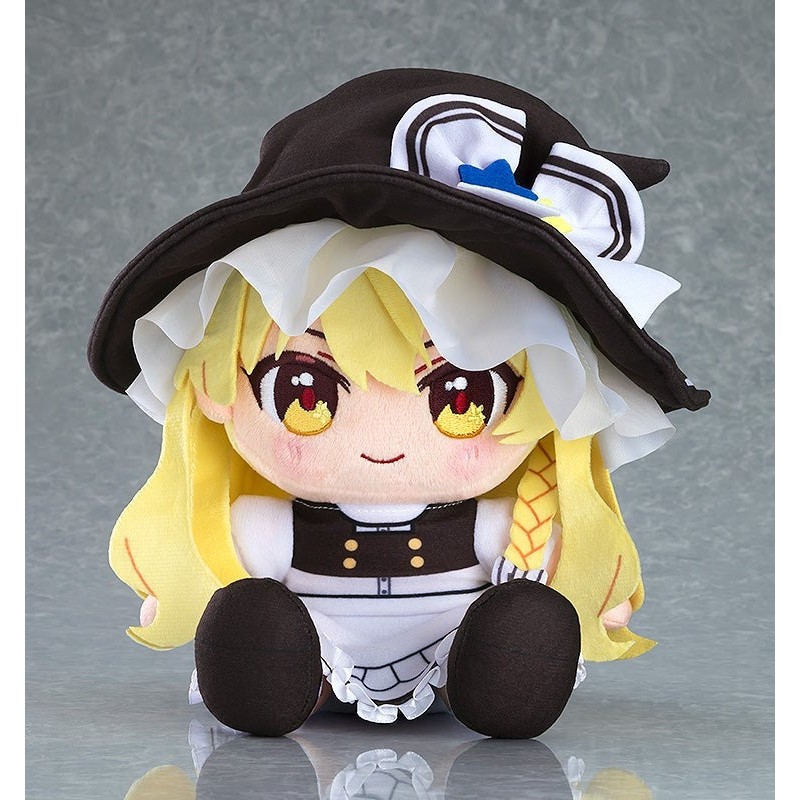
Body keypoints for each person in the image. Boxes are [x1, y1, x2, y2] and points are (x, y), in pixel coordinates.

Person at [88, 69, 709, 739]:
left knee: (521, 623)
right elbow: (216, 550)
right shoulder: (278, 528)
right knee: (256, 617)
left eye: (461, 399)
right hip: (317, 647)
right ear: (215, 391)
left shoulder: (501, 527)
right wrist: (177, 583)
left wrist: (591, 588)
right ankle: (274, 677)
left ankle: (500, 675)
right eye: (304, 394)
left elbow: (550, 550)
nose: (380, 441)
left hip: (452, 648)